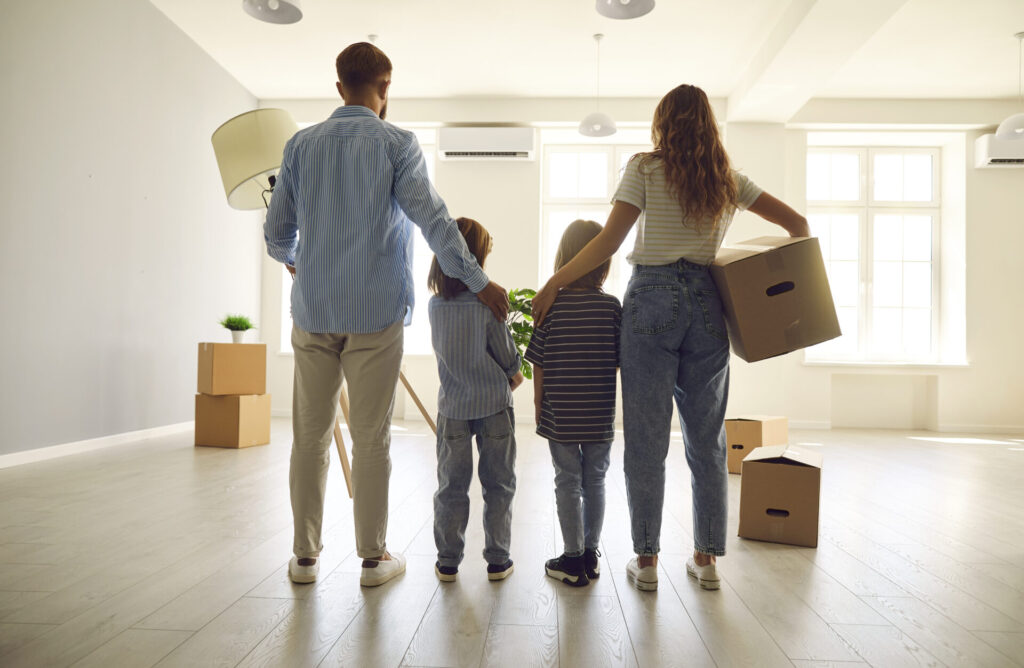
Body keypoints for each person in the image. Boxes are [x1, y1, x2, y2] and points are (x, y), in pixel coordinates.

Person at [531, 84, 809, 592]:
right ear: (710, 126)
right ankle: (705, 560)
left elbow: (609, 242)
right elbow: (797, 224)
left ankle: (648, 561)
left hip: (651, 304)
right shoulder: (728, 180)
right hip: (708, 305)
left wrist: (555, 282)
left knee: (646, 442)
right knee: (707, 442)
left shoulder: (644, 167)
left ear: (663, 123)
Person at [264, 42, 509, 588]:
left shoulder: (300, 146)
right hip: (375, 315)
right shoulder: (397, 144)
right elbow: (436, 223)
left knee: (310, 435)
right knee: (372, 437)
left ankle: (304, 559)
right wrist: (479, 281)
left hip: (313, 314)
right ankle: (373, 561)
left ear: (338, 86)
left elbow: (276, 234)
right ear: (386, 86)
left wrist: (297, 262)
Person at [526, 219, 621, 588]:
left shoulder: (550, 304)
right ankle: (591, 555)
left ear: (564, 258)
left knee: (567, 480)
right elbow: (617, 360)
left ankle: (571, 557)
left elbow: (539, 362)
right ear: (603, 260)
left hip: (560, 413)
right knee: (595, 479)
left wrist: (538, 403)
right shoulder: (612, 308)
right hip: (599, 413)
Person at [428, 217, 523, 583]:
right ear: (476, 259)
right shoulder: (488, 304)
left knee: (451, 486)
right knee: (499, 484)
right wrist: (512, 372)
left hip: (452, 407)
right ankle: (498, 560)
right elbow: (508, 358)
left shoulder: (435, 308)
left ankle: (448, 561)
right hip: (494, 406)